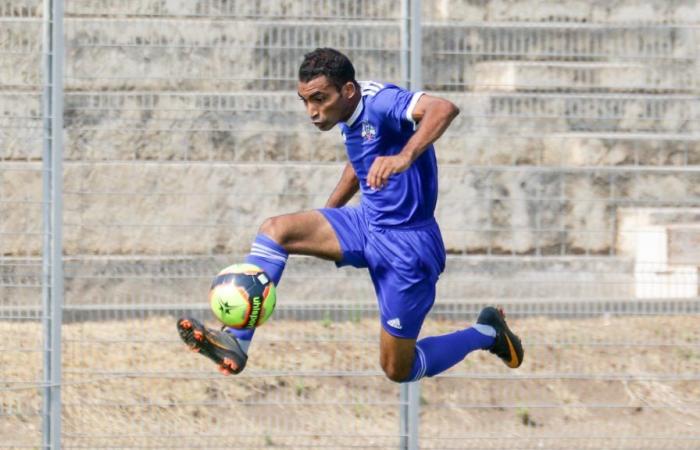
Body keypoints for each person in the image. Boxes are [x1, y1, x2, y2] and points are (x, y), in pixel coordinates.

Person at [177, 48, 524, 381]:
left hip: (408, 247)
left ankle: (486, 331)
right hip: (366, 223)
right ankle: (238, 340)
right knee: (277, 230)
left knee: (397, 368)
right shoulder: (347, 114)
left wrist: (404, 157)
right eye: (305, 101)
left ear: (347, 90)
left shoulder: (382, 102)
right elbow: (358, 165)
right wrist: (327, 217)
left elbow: (444, 108)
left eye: (319, 99)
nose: (312, 111)